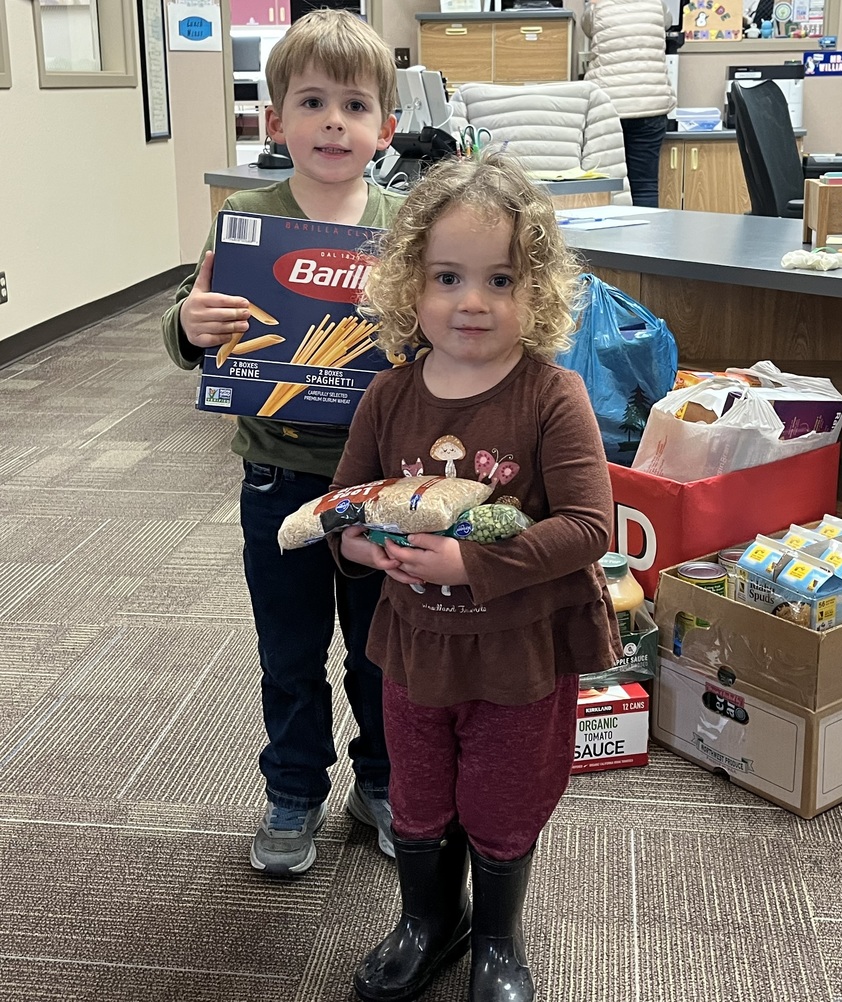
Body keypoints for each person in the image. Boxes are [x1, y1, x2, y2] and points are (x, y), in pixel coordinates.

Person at [329, 153, 622, 1002]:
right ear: (410, 285)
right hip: (415, 649)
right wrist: (363, 549)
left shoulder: (551, 394)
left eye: (500, 279)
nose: (473, 301)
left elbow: (590, 527)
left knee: (501, 802)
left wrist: (472, 562)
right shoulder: (387, 396)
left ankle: (496, 935)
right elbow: (345, 510)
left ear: (537, 292)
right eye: (448, 276)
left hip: (515, 653)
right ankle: (429, 920)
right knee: (417, 799)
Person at [160, 9, 403, 874]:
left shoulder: (404, 227)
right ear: (276, 123)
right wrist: (191, 323)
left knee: (382, 654)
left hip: (379, 483)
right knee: (290, 653)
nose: (333, 121)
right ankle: (294, 792)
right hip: (277, 478)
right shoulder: (248, 221)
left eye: (354, 104)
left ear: (386, 127)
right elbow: (191, 326)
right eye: (311, 102)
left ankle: (381, 782)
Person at [582, 0, 675, 208]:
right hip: (651, 105)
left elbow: (587, 28)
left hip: (608, 107)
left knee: (606, 184)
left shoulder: (598, 7)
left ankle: (610, 239)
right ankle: (646, 240)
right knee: (645, 185)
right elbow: (667, 22)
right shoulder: (657, 5)